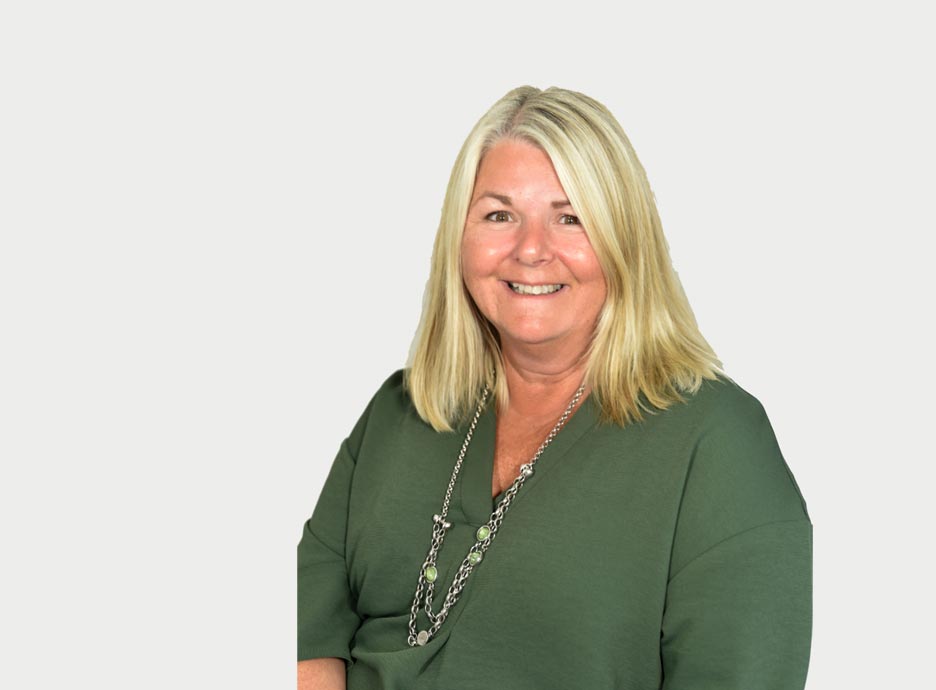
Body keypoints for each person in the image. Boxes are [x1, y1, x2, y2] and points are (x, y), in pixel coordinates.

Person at [297, 85, 812, 690]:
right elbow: (303, 629)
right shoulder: (401, 410)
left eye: (570, 218)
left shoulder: (719, 444)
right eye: (499, 215)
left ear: (625, 240)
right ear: (459, 239)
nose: (531, 250)